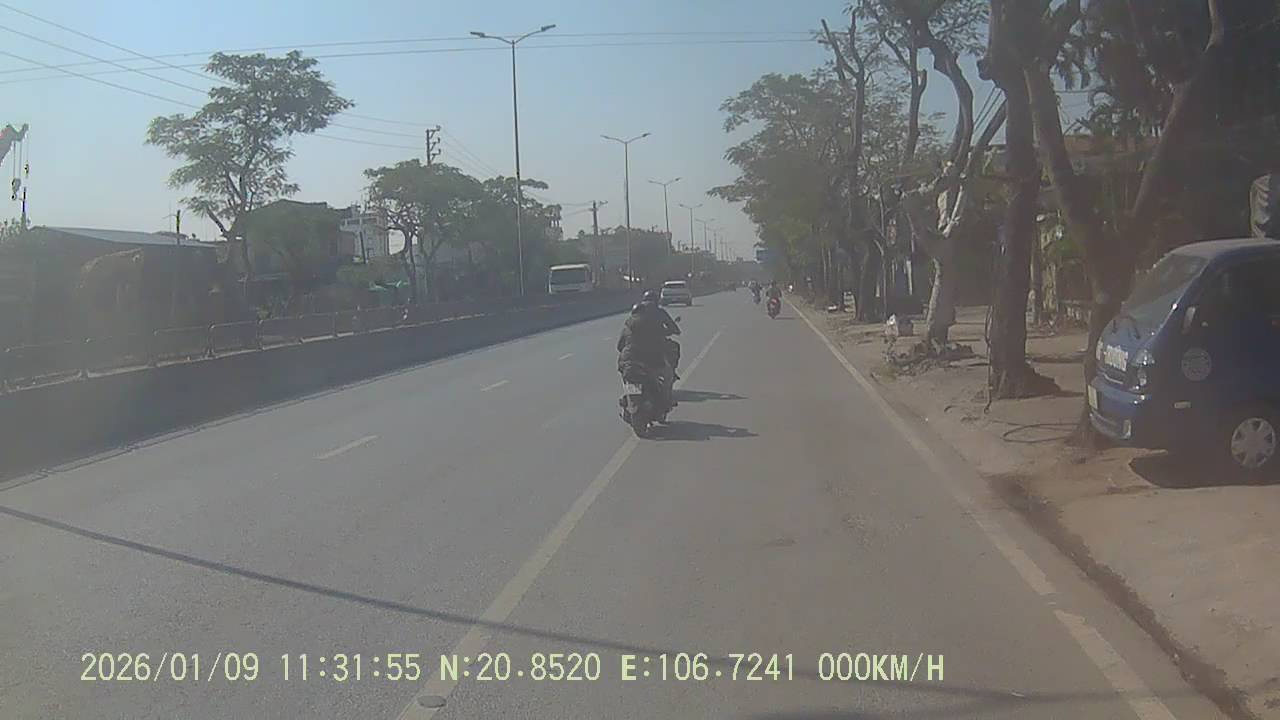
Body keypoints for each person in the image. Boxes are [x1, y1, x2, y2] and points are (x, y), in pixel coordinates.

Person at [617, 290, 682, 408]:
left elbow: (619, 346)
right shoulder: (657, 316)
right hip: (650, 358)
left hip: (628, 361)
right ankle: (666, 401)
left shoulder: (629, 324)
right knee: (668, 375)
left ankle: (630, 398)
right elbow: (673, 329)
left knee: (628, 376)